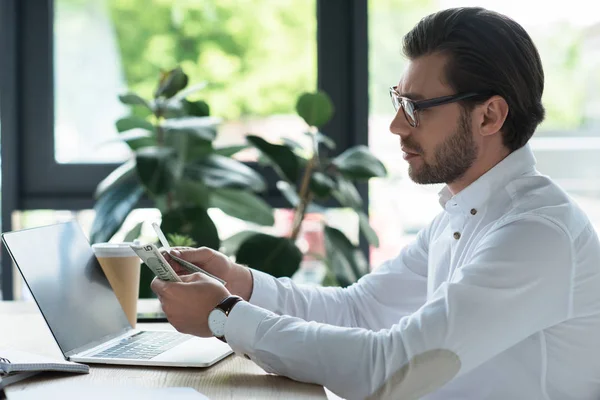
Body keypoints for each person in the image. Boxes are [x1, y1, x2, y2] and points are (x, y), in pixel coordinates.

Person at [151, 7, 600, 400]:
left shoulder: (535, 235)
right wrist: (240, 283)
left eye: (416, 108)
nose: (396, 127)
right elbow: (358, 310)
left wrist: (223, 314)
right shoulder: (464, 214)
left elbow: (389, 371)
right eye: (398, 102)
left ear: (489, 116)